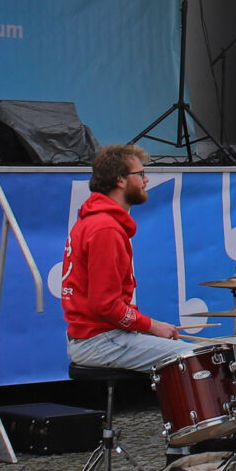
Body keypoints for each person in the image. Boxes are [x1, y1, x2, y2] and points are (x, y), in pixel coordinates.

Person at [61, 144, 185, 371]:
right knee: (193, 359)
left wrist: (147, 325)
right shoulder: (105, 229)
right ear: (120, 179)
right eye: (140, 174)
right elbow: (106, 306)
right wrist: (152, 325)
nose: (146, 180)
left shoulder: (95, 221)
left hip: (98, 337)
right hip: (100, 341)